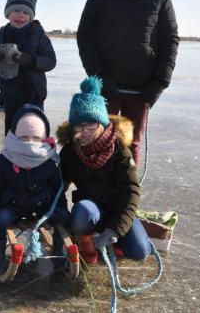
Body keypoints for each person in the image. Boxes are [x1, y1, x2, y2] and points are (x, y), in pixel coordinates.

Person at [76, 0, 179, 164]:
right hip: (107, 87)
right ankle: (99, 194)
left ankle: (127, 196)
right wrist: (99, 78)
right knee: (101, 139)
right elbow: (85, 37)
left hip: (141, 90)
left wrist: (159, 83)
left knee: (131, 143)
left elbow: (170, 40)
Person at [56, 76, 151, 264]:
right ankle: (84, 238)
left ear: (101, 123)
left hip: (117, 209)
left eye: (90, 125)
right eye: (78, 125)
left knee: (140, 251)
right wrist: (60, 215)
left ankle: (113, 240)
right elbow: (58, 185)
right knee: (83, 212)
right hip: (91, 210)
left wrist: (116, 229)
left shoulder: (120, 151)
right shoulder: (69, 152)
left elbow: (131, 193)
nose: (83, 131)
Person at [0, 105, 68, 273]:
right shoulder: (5, 160)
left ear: (43, 138)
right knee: (0, 220)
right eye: (24, 137)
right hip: (14, 206)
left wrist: (61, 209)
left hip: (43, 206)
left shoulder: (49, 161)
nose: (29, 142)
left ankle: (57, 251)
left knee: (64, 218)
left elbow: (58, 190)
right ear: (15, 136)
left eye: (35, 137)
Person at [0, 0, 57, 134]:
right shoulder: (0, 37)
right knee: (12, 134)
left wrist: (30, 60)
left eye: (25, 12)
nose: (20, 15)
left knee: (35, 132)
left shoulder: (38, 35)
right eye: (16, 10)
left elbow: (50, 61)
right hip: (10, 96)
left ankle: (38, 157)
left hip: (33, 95)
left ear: (31, 16)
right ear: (8, 13)